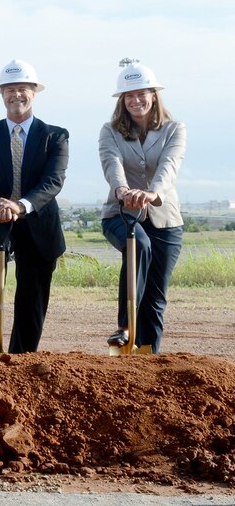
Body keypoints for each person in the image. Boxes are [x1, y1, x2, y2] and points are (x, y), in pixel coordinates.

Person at [0, 60, 68, 354]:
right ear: (2, 95)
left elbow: (53, 181)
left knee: (32, 292)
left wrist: (20, 206)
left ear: (34, 93)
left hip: (37, 220)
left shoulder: (55, 136)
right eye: (10, 90)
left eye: (22, 89)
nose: (16, 95)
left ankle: (21, 356)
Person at [99, 62, 185, 353]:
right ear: (122, 101)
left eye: (141, 94)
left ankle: (147, 361)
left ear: (154, 95)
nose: (135, 101)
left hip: (165, 218)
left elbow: (169, 166)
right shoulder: (110, 131)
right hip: (121, 214)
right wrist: (123, 191)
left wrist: (151, 193)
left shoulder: (175, 129)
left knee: (155, 299)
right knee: (139, 245)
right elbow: (112, 165)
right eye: (128, 96)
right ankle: (124, 326)